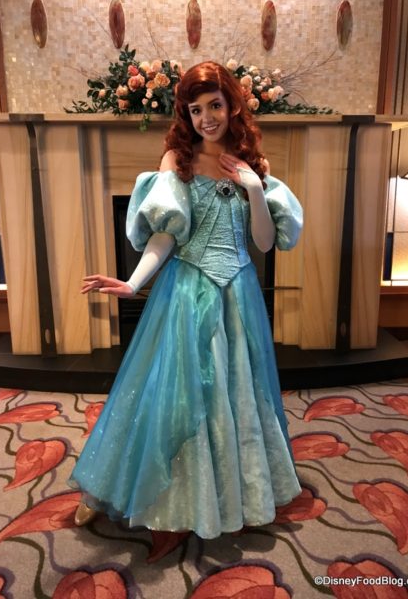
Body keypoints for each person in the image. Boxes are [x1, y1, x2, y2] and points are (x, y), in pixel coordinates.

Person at [69, 61, 303, 560]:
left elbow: (265, 242)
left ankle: (232, 495)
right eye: (195, 110)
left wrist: (254, 188)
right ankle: (135, 492)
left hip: (238, 292)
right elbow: (166, 236)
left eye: (214, 105)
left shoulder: (253, 164)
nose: (206, 118)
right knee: (172, 392)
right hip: (187, 290)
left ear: (232, 105)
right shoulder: (178, 159)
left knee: (235, 391)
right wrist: (133, 282)